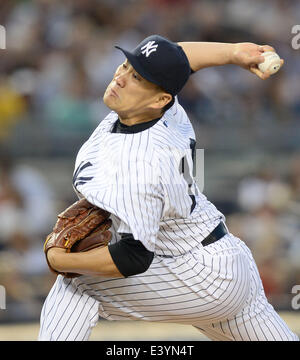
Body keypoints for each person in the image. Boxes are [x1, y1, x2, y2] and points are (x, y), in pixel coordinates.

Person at [38, 35, 298, 341]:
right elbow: (178, 58)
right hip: (223, 258)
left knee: (77, 284)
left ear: (158, 99)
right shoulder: (166, 108)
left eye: (136, 77)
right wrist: (233, 52)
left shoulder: (143, 163)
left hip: (198, 277)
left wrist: (60, 261)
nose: (120, 78)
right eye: (125, 65)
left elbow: (133, 257)